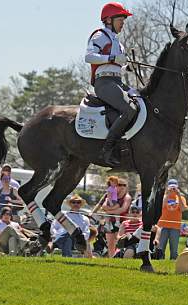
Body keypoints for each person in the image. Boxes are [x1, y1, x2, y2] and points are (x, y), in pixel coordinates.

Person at [85, 2, 136, 166]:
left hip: (116, 81)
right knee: (129, 110)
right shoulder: (100, 35)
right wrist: (113, 58)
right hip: (104, 83)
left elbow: (116, 67)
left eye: (124, 20)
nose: (123, 23)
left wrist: (128, 67)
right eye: (120, 19)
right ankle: (107, 150)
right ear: (108, 20)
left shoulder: (118, 43)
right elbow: (89, 57)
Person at [157, 179, 187, 260]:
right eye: (171, 187)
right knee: (160, 247)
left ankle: (173, 262)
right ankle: (159, 261)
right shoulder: (163, 196)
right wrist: (167, 194)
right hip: (163, 225)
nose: (173, 189)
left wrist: (179, 195)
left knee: (174, 250)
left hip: (175, 226)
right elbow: (161, 206)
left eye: (174, 187)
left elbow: (183, 209)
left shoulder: (182, 198)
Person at [102, 177, 132, 256]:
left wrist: (109, 211)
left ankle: (118, 258)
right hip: (110, 222)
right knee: (110, 244)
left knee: (119, 243)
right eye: (119, 184)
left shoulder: (127, 197)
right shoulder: (110, 194)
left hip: (122, 222)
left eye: (124, 185)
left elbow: (122, 209)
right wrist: (111, 209)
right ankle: (111, 259)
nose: (122, 187)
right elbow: (104, 206)